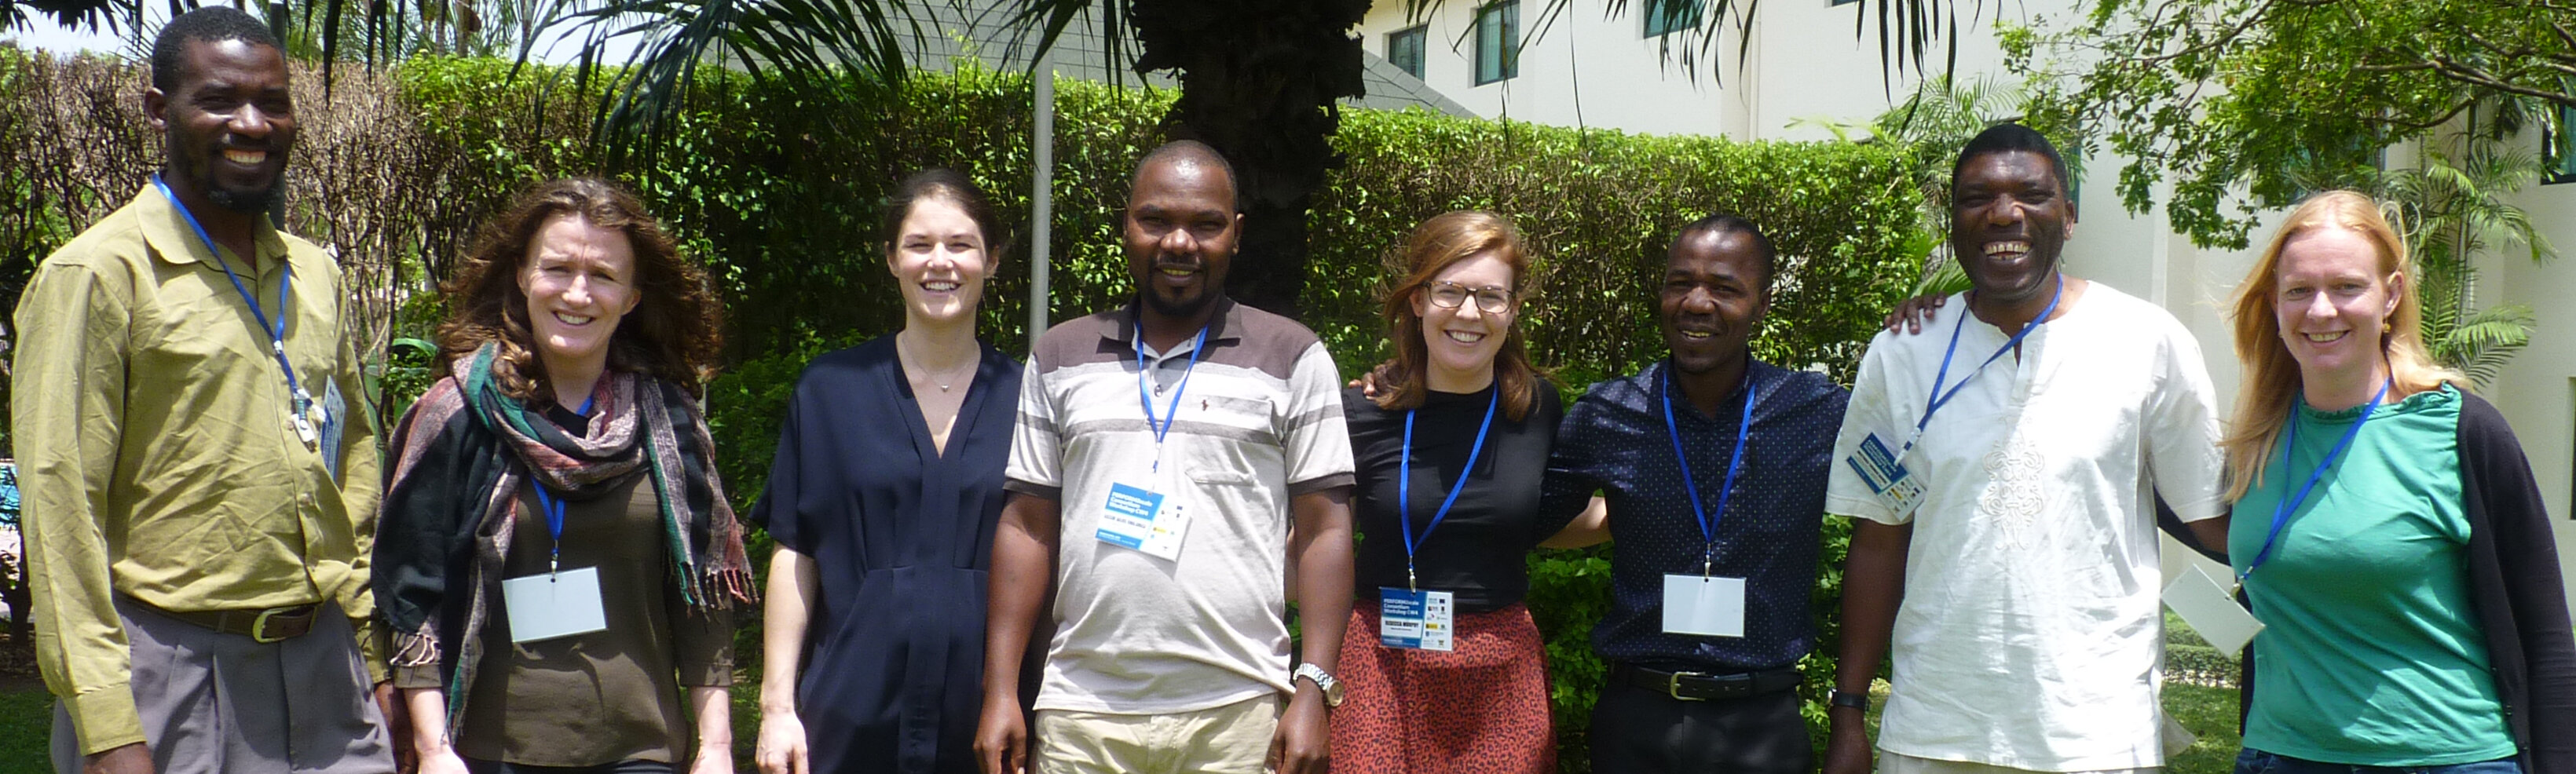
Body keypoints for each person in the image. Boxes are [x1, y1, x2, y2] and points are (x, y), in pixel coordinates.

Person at [14, 7, 399, 772]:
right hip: (170, 670)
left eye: (273, 101)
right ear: (160, 109)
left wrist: (374, 658)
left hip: (328, 668)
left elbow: (353, 466)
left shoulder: (315, 274)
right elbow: (62, 509)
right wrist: (107, 718)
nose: (252, 124)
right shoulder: (97, 275)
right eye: (220, 99)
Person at [1820, 122, 2228, 774]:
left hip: (2094, 734)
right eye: (1977, 197)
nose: (2003, 213)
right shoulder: (1903, 351)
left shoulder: (2147, 342)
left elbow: (2211, 514)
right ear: (1953, 219)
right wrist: (1848, 710)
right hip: (1933, 731)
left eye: (2031, 195)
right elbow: (1880, 537)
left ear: (2067, 217)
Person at [973, 140, 1356, 774]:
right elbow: (1026, 527)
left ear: (1236, 235)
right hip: (1082, 713)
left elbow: (1325, 530)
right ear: (1126, 224)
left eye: (1205, 225)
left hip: (1236, 714)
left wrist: (1314, 689)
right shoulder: (1061, 356)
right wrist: (1001, 691)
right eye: (1156, 220)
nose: (1179, 242)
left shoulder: (1293, 357)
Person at [374, 177, 752, 774]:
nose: (578, 293)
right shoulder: (456, 416)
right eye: (557, 269)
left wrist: (719, 747)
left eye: (603, 275)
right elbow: (412, 592)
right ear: (522, 275)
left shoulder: (670, 422)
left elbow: (700, 600)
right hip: (485, 754)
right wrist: (432, 750)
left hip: (642, 750)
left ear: (630, 297)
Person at [2219, 190, 2574, 774]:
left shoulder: (2463, 430)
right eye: (2300, 290)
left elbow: (2546, 635)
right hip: (2280, 756)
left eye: (2347, 287)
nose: (2322, 310)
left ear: (2392, 295)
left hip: (2446, 759)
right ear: (2274, 304)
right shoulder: (2256, 439)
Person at [1541, 215, 1852, 773]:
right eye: (1680, 283)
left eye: (1726, 288)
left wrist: (1929, 322)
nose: (1697, 302)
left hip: (1762, 726)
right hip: (1636, 722)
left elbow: (1899, 505)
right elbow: (1532, 520)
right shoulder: (1607, 414)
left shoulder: (1819, 413)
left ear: (1762, 305)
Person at [750, 170, 1022, 774]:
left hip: (989, 726)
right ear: (891, 260)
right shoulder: (830, 391)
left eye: (961, 244)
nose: (940, 263)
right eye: (919, 245)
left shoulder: (1030, 401)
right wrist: (776, 707)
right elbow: (796, 552)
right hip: (848, 717)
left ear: (993, 260)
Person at [1330, 211, 1579, 773]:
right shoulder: (1362, 411)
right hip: (1381, 664)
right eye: (1450, 291)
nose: (1470, 313)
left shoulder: (1538, 410)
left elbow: (1549, 519)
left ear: (1513, 310)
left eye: (1491, 297)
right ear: (1418, 300)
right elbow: (1317, 543)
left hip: (1500, 671)